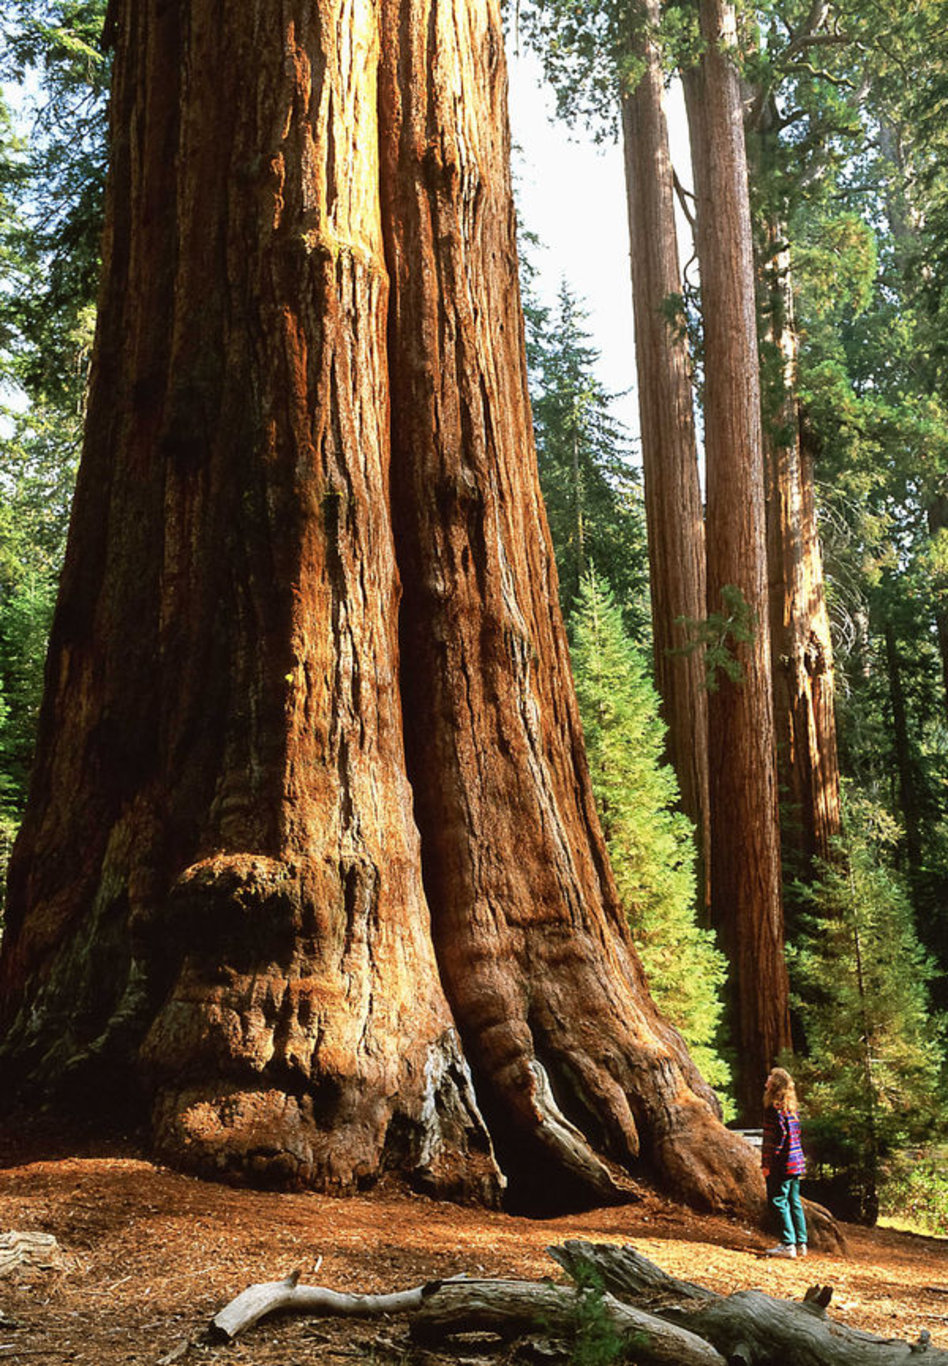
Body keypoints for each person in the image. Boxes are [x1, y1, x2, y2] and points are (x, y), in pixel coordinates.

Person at [761, 1066, 808, 1258]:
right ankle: (802, 1243)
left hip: (782, 1162)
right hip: (796, 1162)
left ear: (776, 1084)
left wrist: (767, 1164)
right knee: (793, 1200)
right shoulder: (791, 1108)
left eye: (770, 1077)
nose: (767, 1080)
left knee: (778, 1200)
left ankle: (788, 1244)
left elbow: (776, 1140)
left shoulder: (775, 1108)